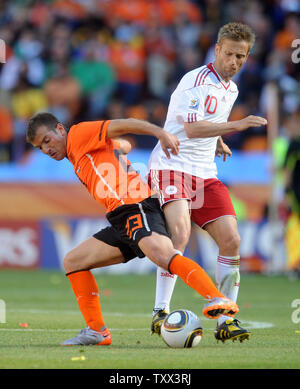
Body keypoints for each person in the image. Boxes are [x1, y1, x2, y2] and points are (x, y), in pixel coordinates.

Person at [26, 112, 239, 346]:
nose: (46, 149)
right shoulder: (79, 151)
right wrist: (117, 148)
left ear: (60, 129)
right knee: (74, 262)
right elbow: (124, 144)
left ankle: (216, 297)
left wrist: (159, 132)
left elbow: (124, 124)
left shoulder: (78, 134)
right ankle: (97, 331)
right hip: (120, 217)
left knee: (163, 255)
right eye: (40, 148)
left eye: (47, 141)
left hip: (135, 207)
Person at [148, 22, 267, 343]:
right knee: (180, 233)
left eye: (241, 57)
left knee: (232, 240)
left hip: (204, 172)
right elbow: (189, 128)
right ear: (216, 49)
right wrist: (235, 126)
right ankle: (160, 310)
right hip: (171, 165)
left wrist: (217, 141)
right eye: (229, 54)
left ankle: (225, 319)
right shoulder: (196, 80)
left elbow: (207, 126)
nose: (234, 62)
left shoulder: (232, 89)